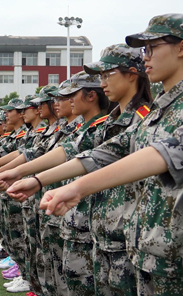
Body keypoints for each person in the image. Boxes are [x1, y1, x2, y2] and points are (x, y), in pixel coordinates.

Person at [40, 14, 183, 295]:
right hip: (146, 248)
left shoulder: (153, 113)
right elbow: (103, 152)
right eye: (144, 50)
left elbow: (163, 154)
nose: (146, 57)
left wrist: (77, 188)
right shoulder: (157, 114)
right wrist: (36, 180)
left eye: (152, 47)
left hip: (170, 255)